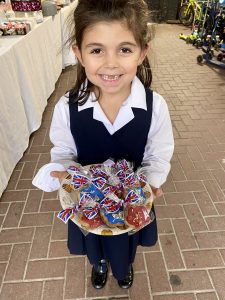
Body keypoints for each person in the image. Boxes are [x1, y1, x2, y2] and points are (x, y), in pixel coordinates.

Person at [32, 0, 174, 290]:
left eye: (124, 49)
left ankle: (123, 270)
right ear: (79, 55)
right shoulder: (66, 108)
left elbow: (158, 154)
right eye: (96, 50)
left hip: (129, 203)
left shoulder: (154, 106)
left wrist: (146, 185)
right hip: (89, 203)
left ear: (142, 53)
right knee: (93, 241)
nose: (110, 63)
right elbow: (63, 152)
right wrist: (66, 173)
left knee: (125, 243)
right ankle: (98, 264)